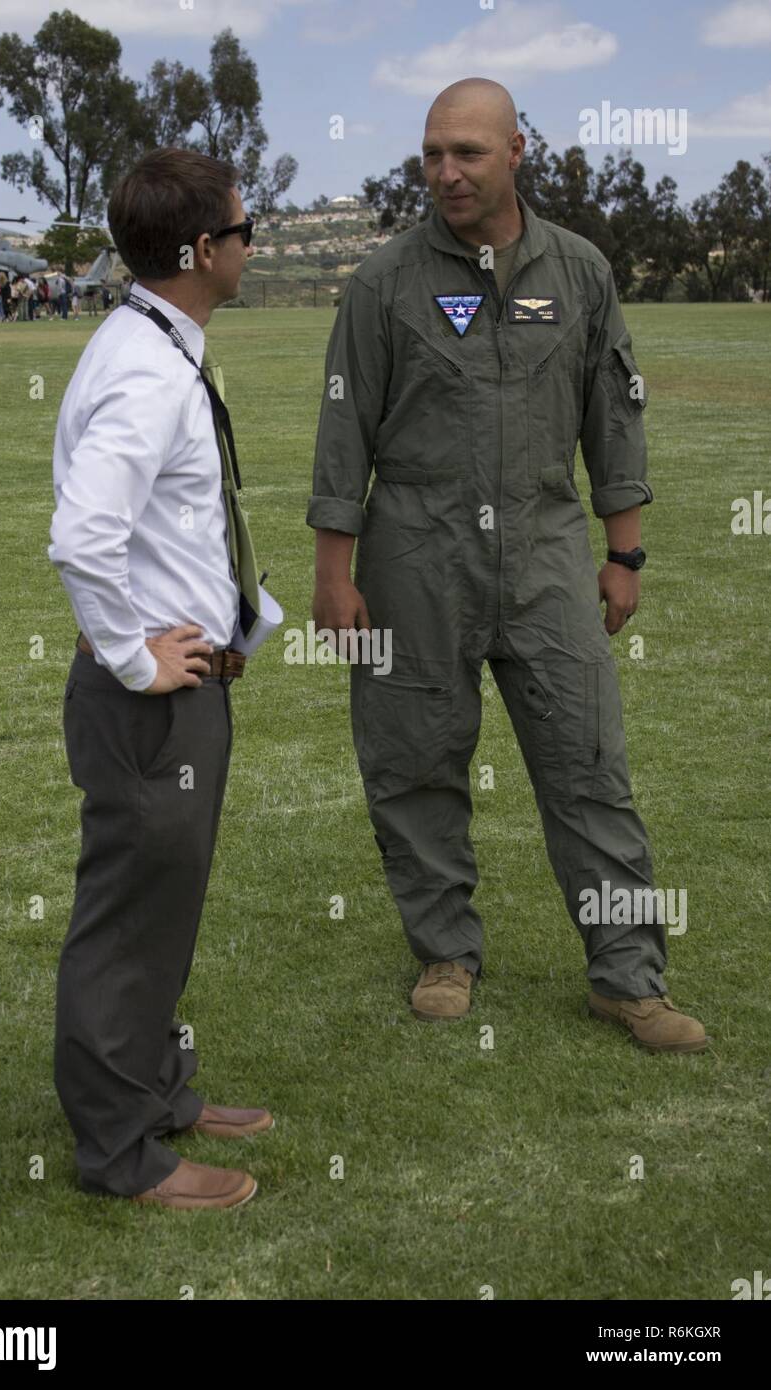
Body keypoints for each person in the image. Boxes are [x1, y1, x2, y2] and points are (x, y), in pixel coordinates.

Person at [308, 78, 707, 1053]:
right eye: (432, 152)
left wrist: (623, 555)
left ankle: (626, 978)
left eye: (467, 153)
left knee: (588, 764)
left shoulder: (576, 273)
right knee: (413, 763)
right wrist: (334, 571)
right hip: (413, 560)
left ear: (514, 150)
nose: (445, 171)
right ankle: (443, 951)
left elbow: (611, 419)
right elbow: (341, 433)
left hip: (542, 560)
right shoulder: (380, 286)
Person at [49, 146, 270, 1211]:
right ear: (199, 251)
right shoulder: (144, 369)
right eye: (240, 230)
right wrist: (139, 657)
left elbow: (167, 530)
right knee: (130, 917)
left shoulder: (153, 344)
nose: (248, 245)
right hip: (150, 705)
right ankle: (121, 1151)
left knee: (162, 907)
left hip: (179, 692)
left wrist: (240, 621)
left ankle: (157, 1093)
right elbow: (82, 536)